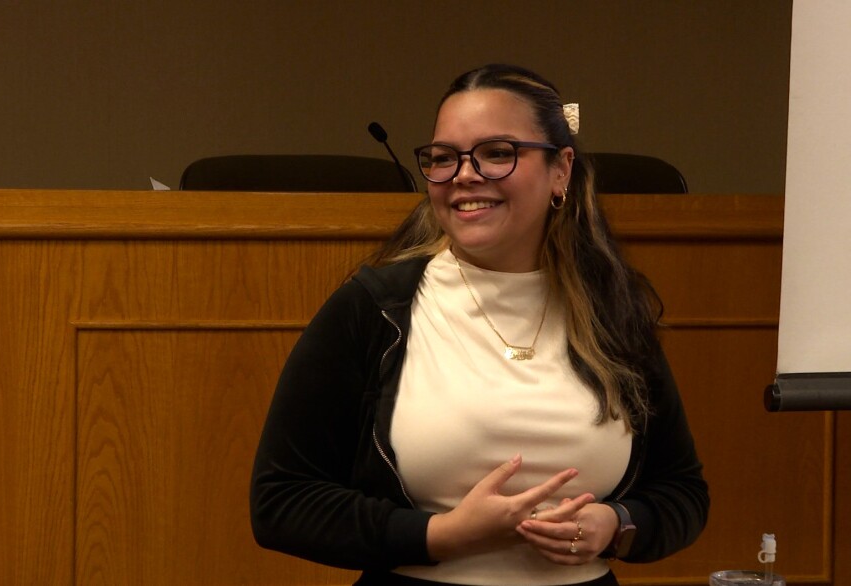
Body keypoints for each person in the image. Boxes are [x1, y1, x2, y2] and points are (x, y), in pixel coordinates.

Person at [250, 63, 709, 586]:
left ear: (561, 170)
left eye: (497, 153)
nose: (464, 174)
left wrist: (617, 523)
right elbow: (281, 500)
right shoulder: (374, 309)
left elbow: (682, 492)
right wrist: (440, 536)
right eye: (444, 158)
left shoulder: (611, 311)